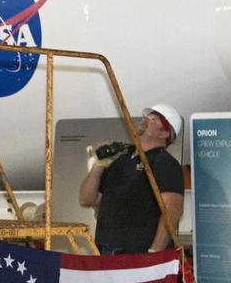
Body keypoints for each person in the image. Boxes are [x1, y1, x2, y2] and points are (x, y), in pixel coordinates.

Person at [78, 104, 184, 254]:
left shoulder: (163, 162)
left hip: (136, 256)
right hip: (105, 253)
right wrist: (98, 166)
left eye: (153, 119)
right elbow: (87, 199)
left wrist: (154, 253)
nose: (144, 120)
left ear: (165, 133)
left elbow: (172, 210)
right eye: (145, 117)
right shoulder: (120, 160)